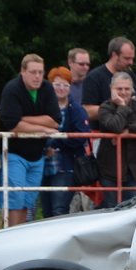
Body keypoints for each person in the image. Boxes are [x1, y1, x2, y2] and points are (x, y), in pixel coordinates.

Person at [0, 54, 61, 226]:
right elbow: (12, 124)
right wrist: (43, 128)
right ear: (22, 72)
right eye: (33, 72)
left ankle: (17, 237)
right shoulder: (12, 89)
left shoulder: (47, 88)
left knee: (28, 200)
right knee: (15, 198)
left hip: (37, 155)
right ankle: (9, 238)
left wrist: (24, 119)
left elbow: (55, 120)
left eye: (40, 72)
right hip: (14, 153)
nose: (37, 76)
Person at [97, 72, 136, 208]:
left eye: (127, 89)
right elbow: (115, 126)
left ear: (132, 89)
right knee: (112, 210)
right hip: (110, 170)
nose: (124, 92)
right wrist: (123, 106)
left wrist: (130, 129)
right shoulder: (105, 108)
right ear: (111, 88)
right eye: (119, 89)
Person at [41, 67, 91, 217]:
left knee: (59, 209)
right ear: (50, 86)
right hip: (44, 163)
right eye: (57, 84)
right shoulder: (43, 107)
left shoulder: (76, 109)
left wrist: (56, 143)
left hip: (65, 165)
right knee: (46, 210)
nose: (61, 88)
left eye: (65, 85)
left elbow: (82, 136)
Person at [82, 37, 136, 124]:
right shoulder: (94, 77)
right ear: (114, 55)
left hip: (130, 132)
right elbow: (87, 111)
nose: (131, 62)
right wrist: (118, 107)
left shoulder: (131, 75)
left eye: (132, 58)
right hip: (103, 133)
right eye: (127, 58)